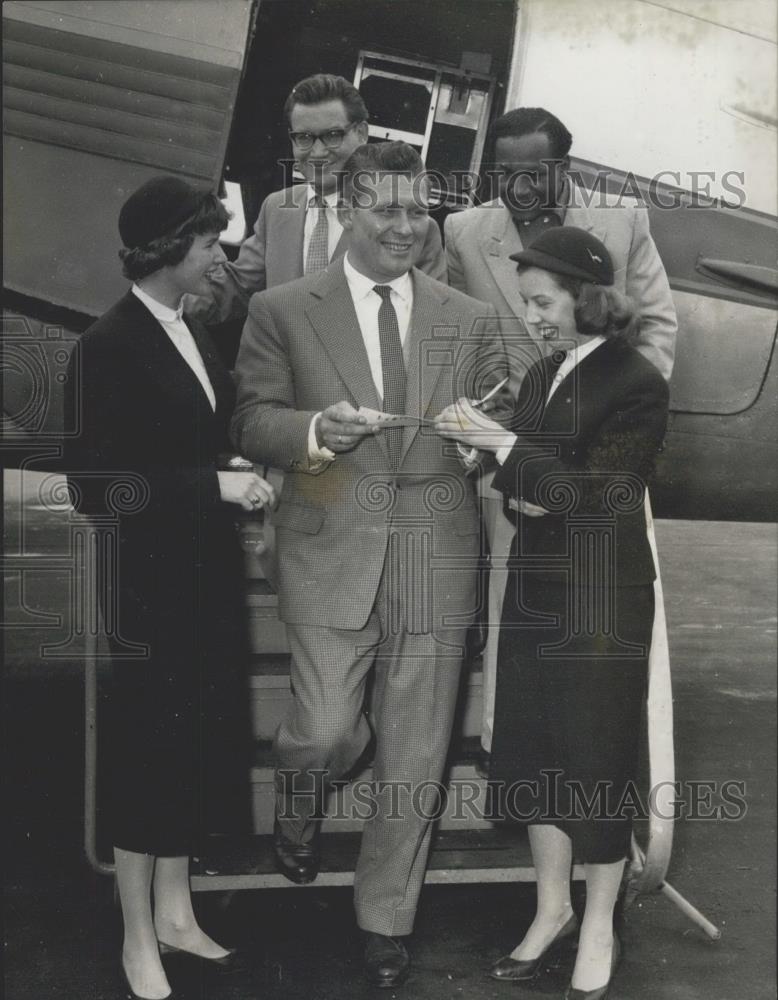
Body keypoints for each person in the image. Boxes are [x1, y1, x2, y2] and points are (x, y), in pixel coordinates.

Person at [230, 140, 506, 988]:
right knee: (317, 730)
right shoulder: (282, 309)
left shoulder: (468, 316)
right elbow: (250, 419)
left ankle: (385, 918)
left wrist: (478, 451)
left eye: (417, 209)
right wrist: (315, 433)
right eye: (385, 207)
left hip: (439, 556)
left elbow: (499, 419)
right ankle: (302, 800)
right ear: (344, 207)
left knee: (417, 753)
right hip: (327, 550)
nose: (404, 225)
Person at [435, 227, 670, 1000]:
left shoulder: (638, 381)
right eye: (528, 301)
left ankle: (599, 920)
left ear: (590, 301)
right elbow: (529, 492)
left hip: (602, 596)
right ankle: (551, 909)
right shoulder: (540, 374)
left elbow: (603, 497)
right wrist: (520, 471)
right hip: (538, 583)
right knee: (536, 747)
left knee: (595, 755)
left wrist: (508, 450)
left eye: (544, 302)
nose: (531, 315)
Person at [64, 176, 275, 1000]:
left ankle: (178, 914)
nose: (218, 257)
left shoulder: (191, 331)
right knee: (149, 758)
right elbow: (95, 485)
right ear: (165, 253)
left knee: (194, 747)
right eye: (206, 244)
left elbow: (189, 436)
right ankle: (136, 937)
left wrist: (230, 468)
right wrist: (210, 488)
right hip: (150, 586)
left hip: (204, 574)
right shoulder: (107, 344)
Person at [444, 106, 677, 761]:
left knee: (597, 627)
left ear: (564, 168)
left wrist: (613, 411)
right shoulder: (463, 231)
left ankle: (591, 767)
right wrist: (485, 423)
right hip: (510, 461)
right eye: (505, 174)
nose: (517, 189)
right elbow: (456, 337)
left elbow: (658, 325)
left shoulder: (622, 220)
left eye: (533, 173)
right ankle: (509, 753)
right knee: (514, 605)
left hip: (602, 458)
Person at [189, 73, 447, 324]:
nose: (318, 152)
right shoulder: (277, 209)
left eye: (333, 135)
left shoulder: (411, 228)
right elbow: (232, 290)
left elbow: (426, 322)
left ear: (362, 133)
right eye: (304, 137)